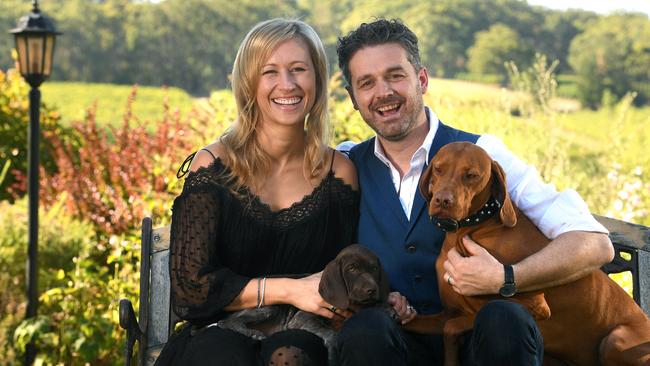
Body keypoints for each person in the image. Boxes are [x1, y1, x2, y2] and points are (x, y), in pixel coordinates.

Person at [334, 19, 614, 366]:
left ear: (421, 79)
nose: (384, 93)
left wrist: (507, 278)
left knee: (504, 318)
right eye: (367, 83)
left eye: (395, 75)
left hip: (483, 347)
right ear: (353, 98)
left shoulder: (484, 155)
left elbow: (593, 242)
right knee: (366, 329)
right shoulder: (347, 163)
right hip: (399, 345)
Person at [155, 18, 361, 366]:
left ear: (318, 79)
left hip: (304, 329)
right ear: (249, 83)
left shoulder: (338, 173)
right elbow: (191, 289)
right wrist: (289, 289)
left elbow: (341, 271)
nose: (287, 84)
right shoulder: (212, 165)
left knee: (291, 356)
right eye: (270, 72)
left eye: (299, 69)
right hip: (220, 328)